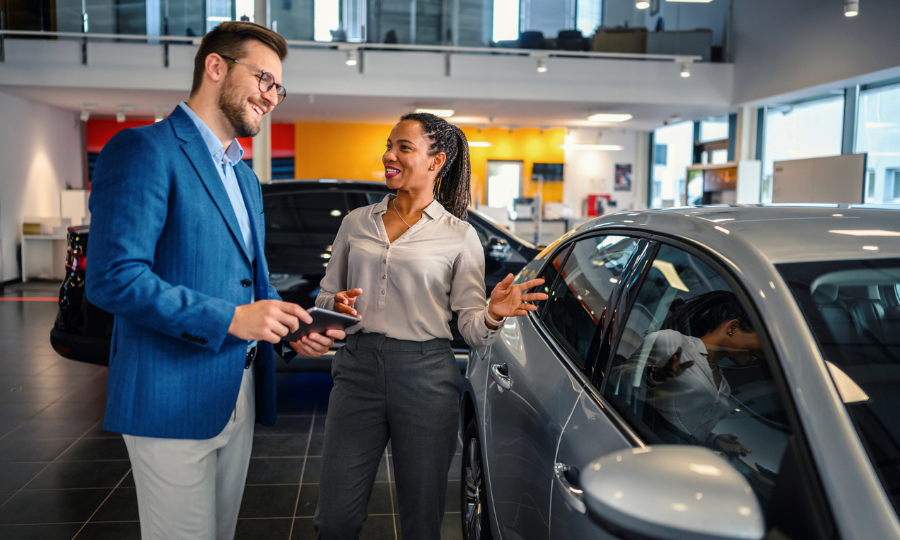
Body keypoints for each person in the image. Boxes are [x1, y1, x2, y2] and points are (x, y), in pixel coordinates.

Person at [86, 22, 344, 540]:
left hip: (237, 389)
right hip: (168, 395)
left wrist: (292, 327)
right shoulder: (144, 149)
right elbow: (114, 278)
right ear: (216, 67)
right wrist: (229, 319)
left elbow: (251, 285)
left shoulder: (243, 176)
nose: (272, 97)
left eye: (278, 87)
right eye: (264, 79)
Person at [312, 112, 547, 540]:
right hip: (356, 370)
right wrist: (335, 305)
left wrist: (493, 313)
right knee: (335, 520)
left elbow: (473, 330)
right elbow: (325, 297)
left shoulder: (459, 236)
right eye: (389, 145)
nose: (389, 155)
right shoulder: (356, 222)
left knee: (421, 520)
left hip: (424, 375)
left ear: (436, 161)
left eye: (404, 147)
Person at [616, 291, 761, 457]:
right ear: (732, 327)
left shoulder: (724, 386)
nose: (760, 354)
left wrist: (713, 440)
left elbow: (682, 425)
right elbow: (614, 380)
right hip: (638, 447)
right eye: (760, 342)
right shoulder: (672, 343)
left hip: (675, 460)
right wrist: (654, 376)